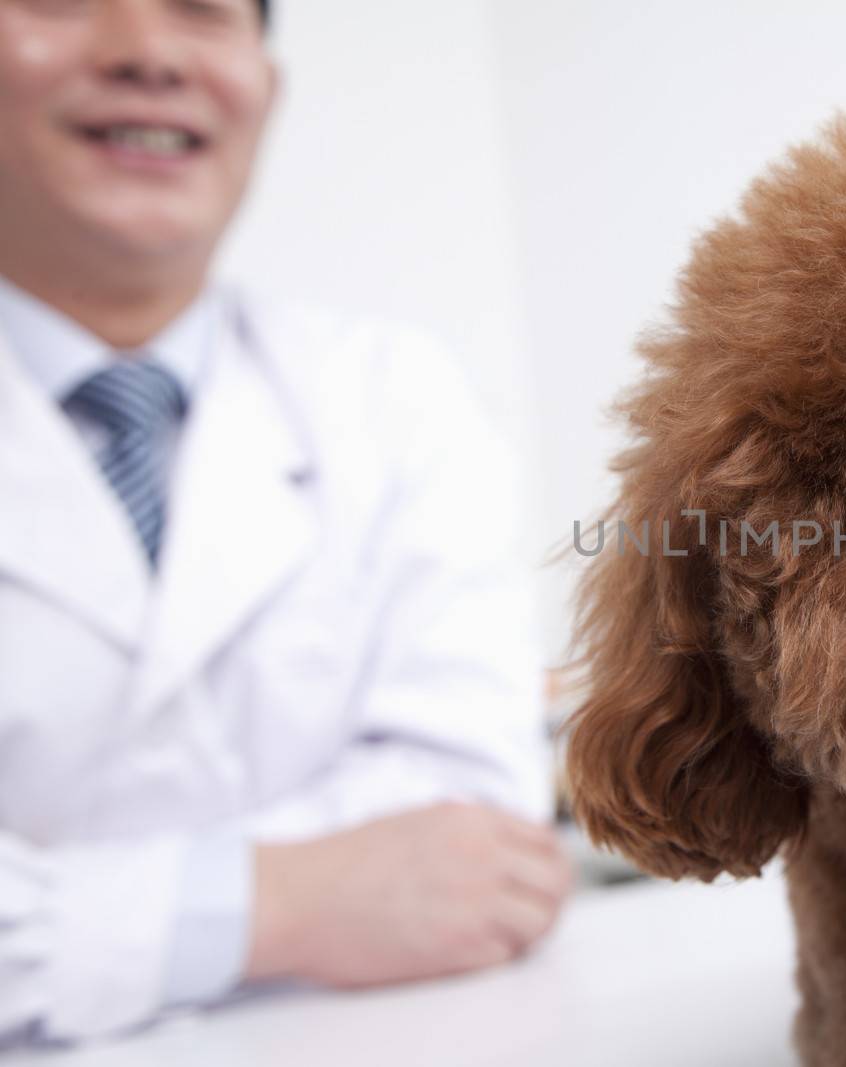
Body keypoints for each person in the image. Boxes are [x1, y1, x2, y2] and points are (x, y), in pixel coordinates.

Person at [0, 0, 571, 1046]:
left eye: (206, 13)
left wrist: (59, 903)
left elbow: (474, 823)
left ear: (265, 87)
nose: (148, 52)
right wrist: (276, 904)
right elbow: (405, 869)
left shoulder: (392, 394)